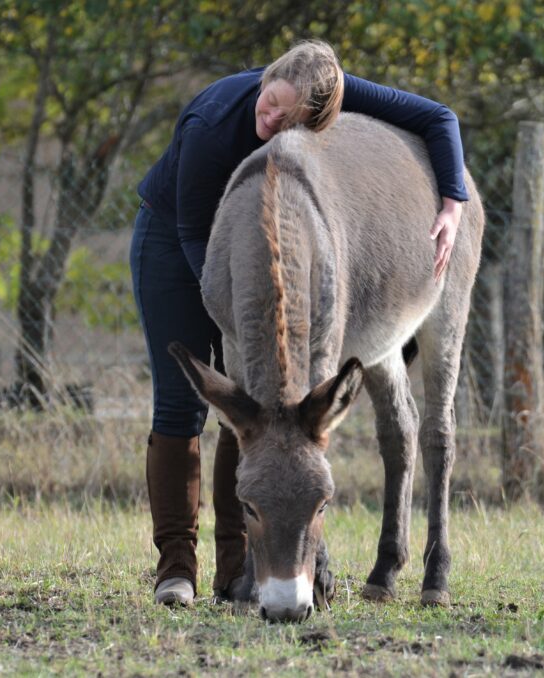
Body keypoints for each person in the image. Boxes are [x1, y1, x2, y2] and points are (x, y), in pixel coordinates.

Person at [130, 40, 469, 607]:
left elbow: (438, 116)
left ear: (314, 113)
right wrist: (238, 305)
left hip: (282, 242)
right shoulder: (213, 123)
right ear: (268, 78)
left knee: (254, 407)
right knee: (180, 404)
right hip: (183, 243)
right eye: (267, 102)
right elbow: (193, 233)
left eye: (283, 116)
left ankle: (239, 570)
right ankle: (175, 568)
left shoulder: (324, 86)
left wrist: (453, 200)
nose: (269, 116)